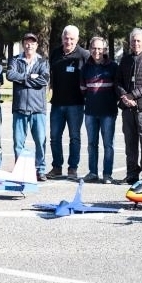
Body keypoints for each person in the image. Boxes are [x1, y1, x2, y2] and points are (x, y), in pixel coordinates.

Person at [115, 28, 142, 185]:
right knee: (130, 144)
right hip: (127, 110)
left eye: (139, 40)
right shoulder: (125, 60)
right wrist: (124, 96)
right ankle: (132, 175)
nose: (136, 43)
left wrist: (132, 95)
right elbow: (118, 81)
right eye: (133, 40)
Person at [47, 25, 90, 179]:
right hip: (57, 103)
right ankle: (57, 167)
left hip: (76, 104)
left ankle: (72, 168)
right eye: (66, 38)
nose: (68, 41)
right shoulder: (55, 53)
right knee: (54, 137)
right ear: (62, 38)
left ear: (77, 40)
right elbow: (50, 75)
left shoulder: (84, 55)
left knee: (74, 137)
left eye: (72, 38)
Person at [6, 33, 49, 181]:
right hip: (20, 108)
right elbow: (10, 75)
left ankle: (40, 169)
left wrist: (22, 78)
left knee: (40, 141)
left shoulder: (42, 61)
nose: (29, 45)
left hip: (38, 109)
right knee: (18, 142)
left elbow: (43, 80)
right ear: (23, 44)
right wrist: (29, 77)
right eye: (27, 42)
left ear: (36, 45)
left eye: (32, 43)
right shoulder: (15, 60)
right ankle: (20, 169)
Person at [80, 37, 118, 184]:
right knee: (91, 144)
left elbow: (117, 88)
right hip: (90, 112)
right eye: (94, 48)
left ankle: (107, 174)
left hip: (108, 112)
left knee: (108, 144)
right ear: (90, 49)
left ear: (105, 50)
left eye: (100, 49)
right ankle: (93, 172)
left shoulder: (113, 67)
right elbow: (83, 89)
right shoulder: (85, 68)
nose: (97, 51)